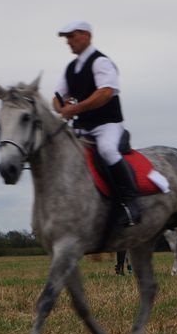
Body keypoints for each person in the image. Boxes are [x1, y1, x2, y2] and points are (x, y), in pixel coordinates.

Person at [53, 21, 141, 227]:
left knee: (107, 150)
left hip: (107, 124)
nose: (68, 42)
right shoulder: (71, 68)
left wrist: (74, 109)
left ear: (86, 35)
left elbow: (105, 93)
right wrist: (61, 107)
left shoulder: (101, 62)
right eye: (67, 38)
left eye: (72, 36)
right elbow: (56, 97)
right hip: (82, 127)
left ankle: (130, 203)